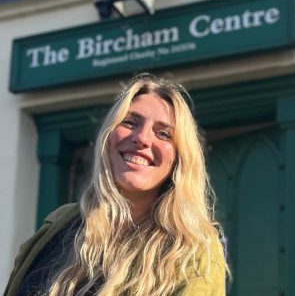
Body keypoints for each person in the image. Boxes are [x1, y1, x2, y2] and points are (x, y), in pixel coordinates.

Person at [5, 74, 227, 296]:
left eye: (163, 133)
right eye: (130, 122)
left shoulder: (194, 251)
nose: (142, 138)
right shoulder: (59, 224)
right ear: (108, 136)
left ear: (180, 158)